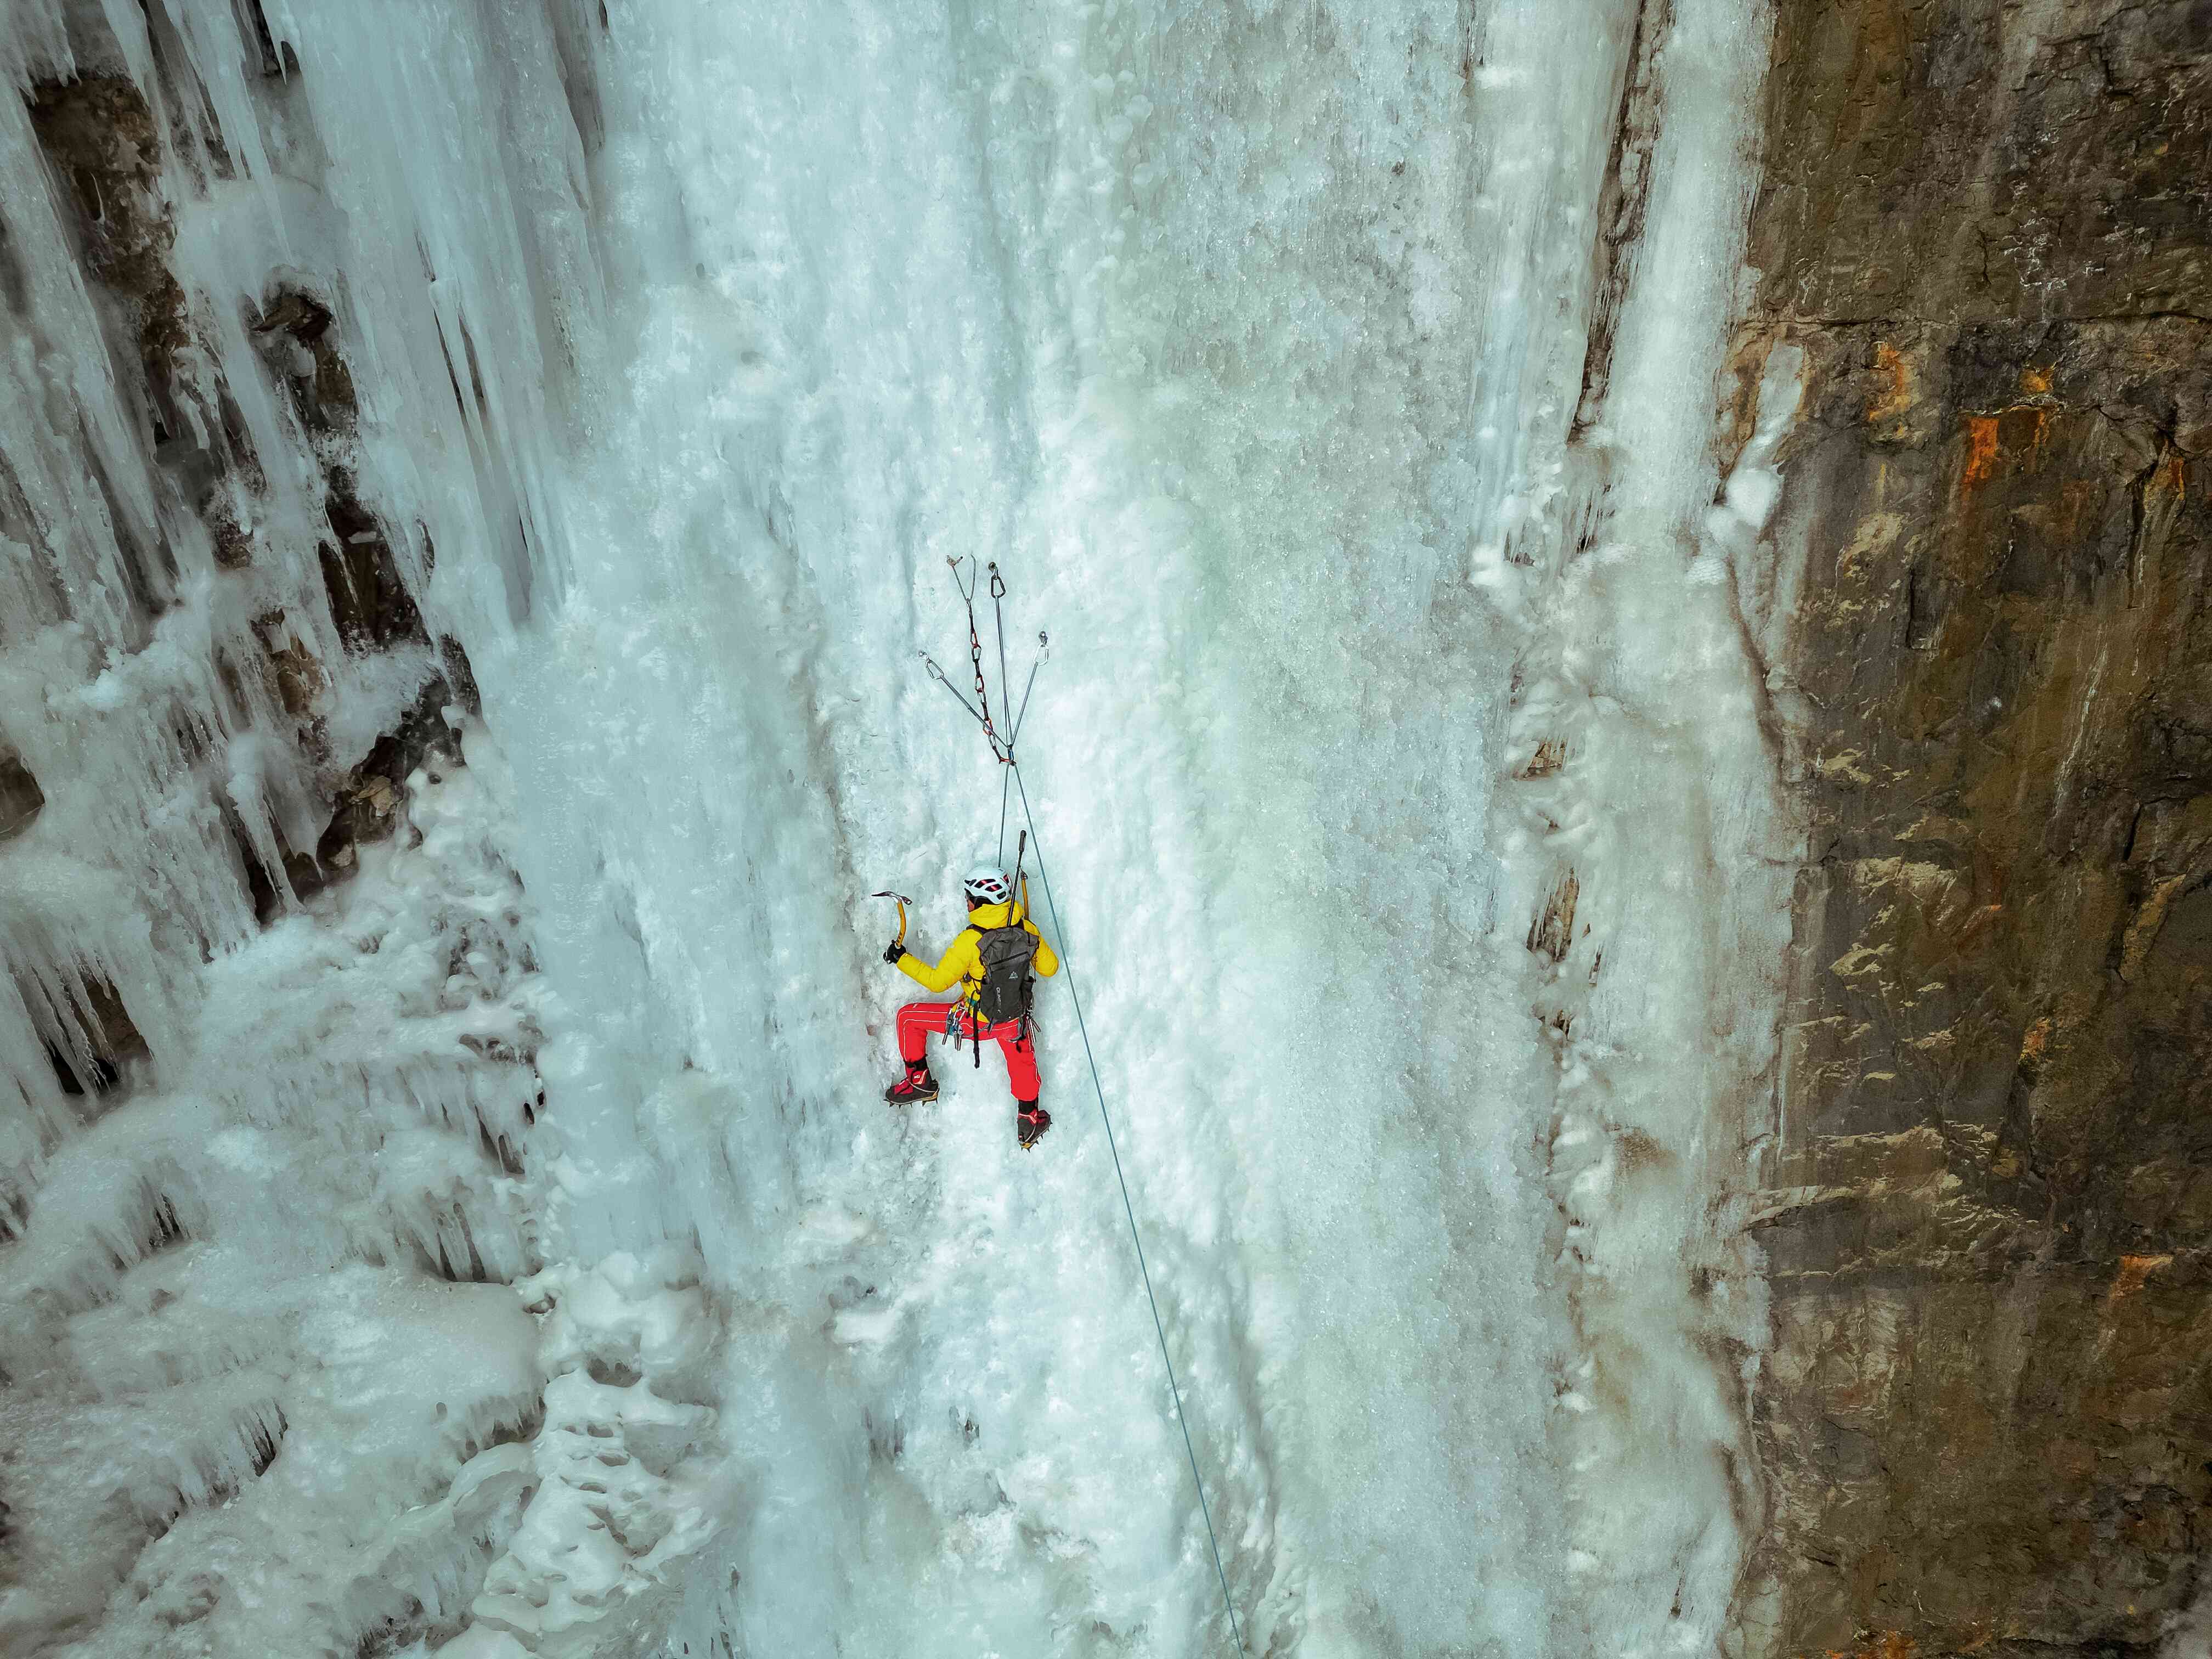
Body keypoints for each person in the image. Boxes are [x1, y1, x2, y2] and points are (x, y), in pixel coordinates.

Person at [882, 863, 1058, 1148]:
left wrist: (901, 958)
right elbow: (1050, 968)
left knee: (907, 1018)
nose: (967, 902)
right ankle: (1030, 1118)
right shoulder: (1026, 928)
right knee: (1022, 1061)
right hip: (1016, 1018)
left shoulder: (970, 941)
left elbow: (938, 982)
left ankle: (919, 1081)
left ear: (982, 901)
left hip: (978, 1021)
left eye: (969, 897)